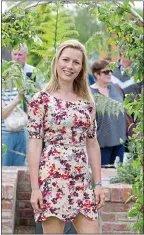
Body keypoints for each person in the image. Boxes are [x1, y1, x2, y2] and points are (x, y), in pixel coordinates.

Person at [27, 39, 104, 234]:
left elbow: (92, 144)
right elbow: (35, 145)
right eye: (66, 60)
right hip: (52, 178)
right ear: (57, 62)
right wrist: (35, 188)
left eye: (76, 62)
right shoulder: (41, 100)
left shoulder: (88, 103)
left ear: (81, 67)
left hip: (81, 179)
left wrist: (98, 183)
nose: (70, 66)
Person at [90, 59, 126, 166]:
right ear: (96, 74)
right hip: (101, 142)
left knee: (118, 175)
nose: (110, 74)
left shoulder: (116, 88)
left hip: (120, 140)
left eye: (111, 71)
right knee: (103, 173)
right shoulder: (90, 93)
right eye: (106, 72)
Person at [2, 88, 27, 166]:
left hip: (21, 132)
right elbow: (3, 115)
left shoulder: (23, 88)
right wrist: (18, 98)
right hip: (5, 134)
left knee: (19, 166)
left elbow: (28, 111)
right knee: (4, 166)